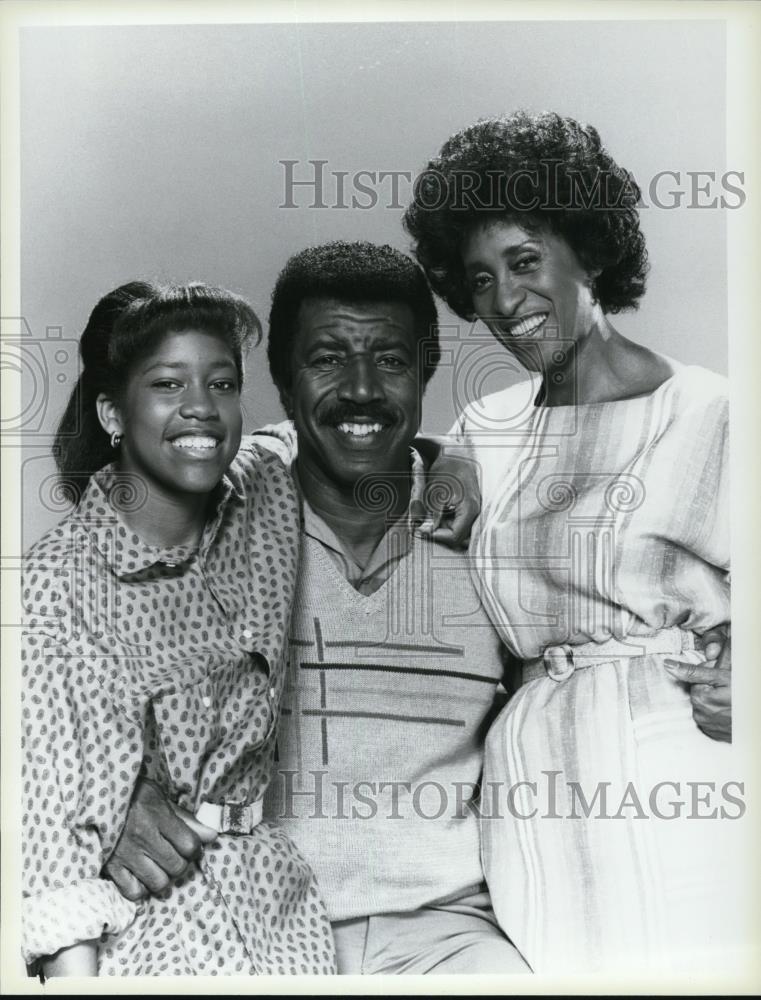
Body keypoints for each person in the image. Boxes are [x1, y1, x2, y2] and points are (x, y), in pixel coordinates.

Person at [104, 242, 531, 975]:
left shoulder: (493, 529)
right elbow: (64, 670)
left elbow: (608, 646)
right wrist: (118, 792)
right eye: (327, 359)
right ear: (280, 379)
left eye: (390, 361)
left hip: (444, 932)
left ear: (427, 369)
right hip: (236, 923)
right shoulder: (217, 522)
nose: (361, 389)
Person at [403, 110, 742, 973]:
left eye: (524, 262)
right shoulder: (488, 423)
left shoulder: (709, 412)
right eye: (478, 280)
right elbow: (410, 451)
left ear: (590, 252)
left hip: (678, 772)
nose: (504, 301)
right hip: (527, 799)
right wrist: (447, 463)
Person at [21, 281, 336, 976]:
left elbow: (336, 429)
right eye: (168, 383)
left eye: (221, 383)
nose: (201, 406)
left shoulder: (265, 492)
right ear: (112, 411)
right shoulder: (60, 580)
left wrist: (451, 464)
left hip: (283, 914)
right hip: (149, 930)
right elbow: (54, 838)